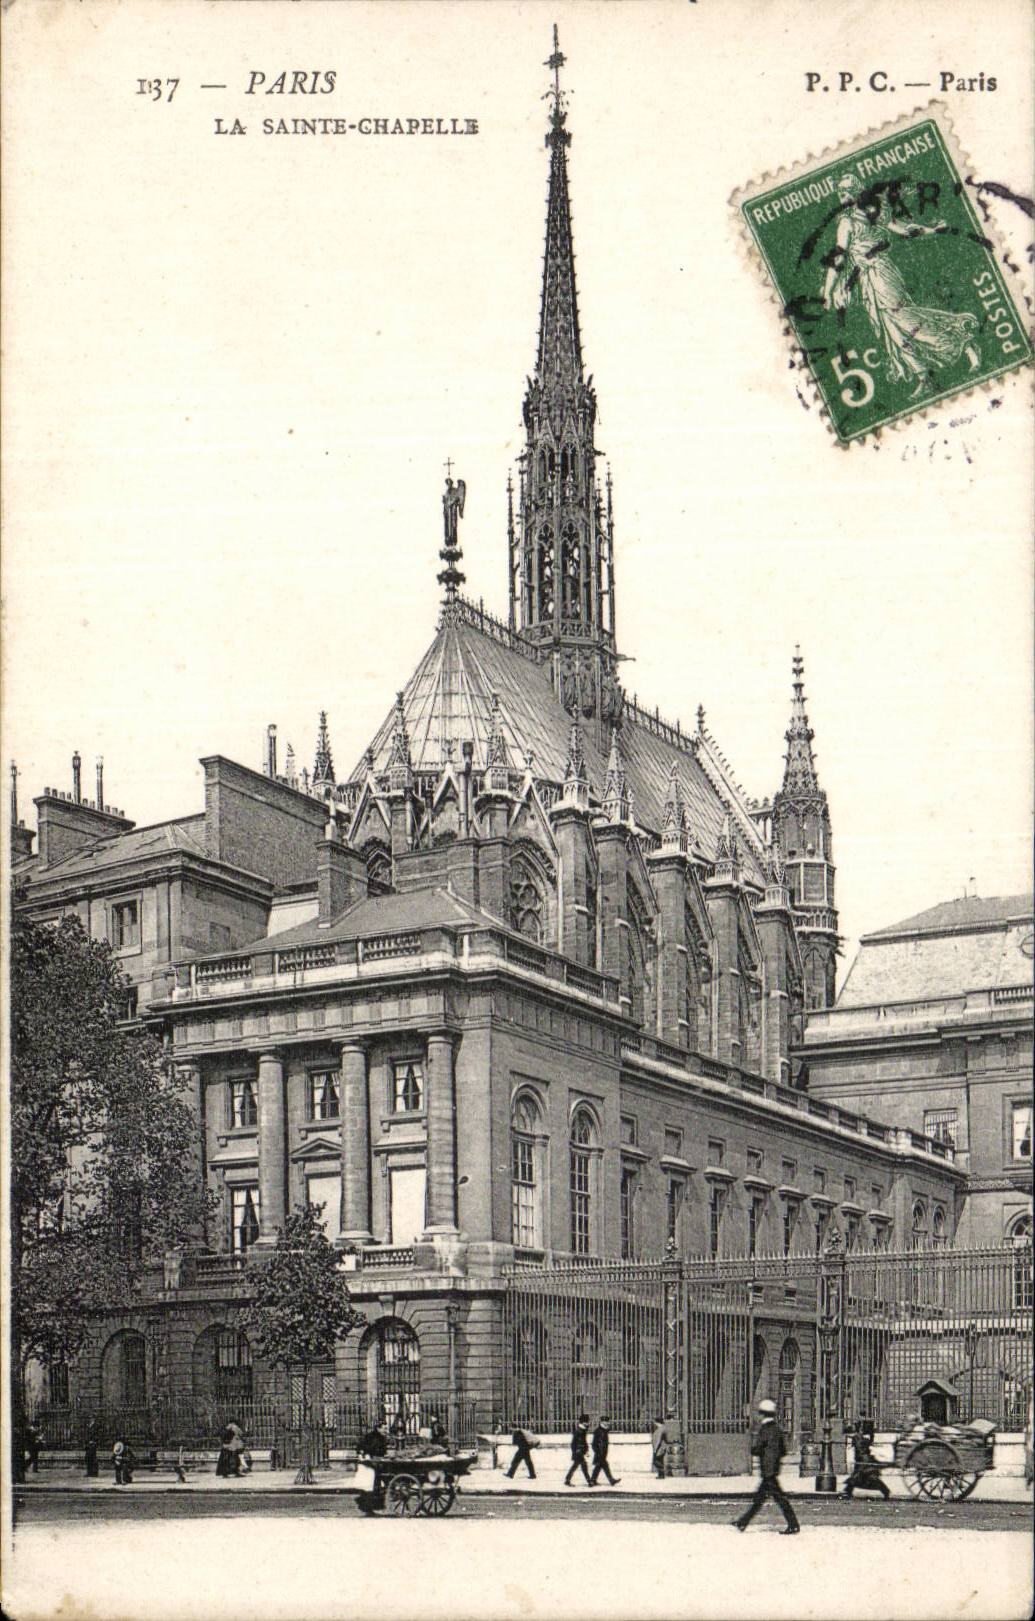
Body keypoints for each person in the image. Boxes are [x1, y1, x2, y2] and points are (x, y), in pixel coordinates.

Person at [821, 174, 980, 399]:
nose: (842, 197)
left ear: (857, 193)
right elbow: (840, 258)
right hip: (869, 280)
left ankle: (961, 336)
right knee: (891, 330)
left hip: (882, 273)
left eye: (846, 192)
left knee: (903, 318)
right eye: (840, 193)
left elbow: (905, 230)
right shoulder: (851, 220)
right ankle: (923, 376)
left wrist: (933, 231)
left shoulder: (858, 219)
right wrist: (830, 289)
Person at [733, 1399, 800, 1534]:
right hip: (773, 1468)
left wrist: (754, 1449)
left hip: (768, 1470)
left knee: (778, 1499)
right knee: (760, 1499)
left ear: (762, 1414)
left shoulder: (765, 1429)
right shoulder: (777, 1429)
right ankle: (742, 1522)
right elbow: (783, 1450)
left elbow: (758, 1448)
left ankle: (793, 1525)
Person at [842, 1418, 890, 1502]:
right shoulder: (860, 1437)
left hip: (863, 1459)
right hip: (863, 1458)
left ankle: (885, 1491)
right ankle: (848, 1490)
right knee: (862, 1476)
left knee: (864, 1476)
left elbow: (860, 1448)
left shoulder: (858, 1437)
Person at [589, 1416, 621, 1487]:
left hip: (603, 1453)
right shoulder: (598, 1431)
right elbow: (594, 1443)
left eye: (608, 1421)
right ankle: (611, 1480)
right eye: (606, 1422)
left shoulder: (605, 1430)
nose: (607, 1423)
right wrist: (597, 1451)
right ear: (602, 1422)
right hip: (599, 1453)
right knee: (604, 1466)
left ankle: (593, 1480)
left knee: (599, 1466)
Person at [564, 1414, 592, 1487]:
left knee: (576, 1466)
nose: (588, 1423)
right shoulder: (579, 1431)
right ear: (583, 1422)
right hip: (578, 1452)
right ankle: (589, 1481)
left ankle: (567, 1479)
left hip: (579, 1451)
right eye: (587, 1422)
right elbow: (578, 1442)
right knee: (583, 1466)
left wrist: (586, 1450)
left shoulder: (582, 1430)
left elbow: (583, 1442)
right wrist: (580, 1450)